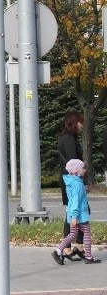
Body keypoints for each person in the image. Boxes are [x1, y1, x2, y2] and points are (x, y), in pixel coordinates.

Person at [52, 159, 101, 265]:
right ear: (76, 170)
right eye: (82, 168)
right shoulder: (77, 184)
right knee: (87, 234)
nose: (84, 170)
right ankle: (88, 257)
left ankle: (58, 250)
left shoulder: (72, 181)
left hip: (73, 213)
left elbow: (75, 196)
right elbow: (75, 201)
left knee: (73, 234)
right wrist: (74, 216)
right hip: (79, 215)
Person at [57, 109, 86, 260]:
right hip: (71, 181)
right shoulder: (69, 140)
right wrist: (82, 180)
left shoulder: (68, 138)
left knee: (72, 212)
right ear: (74, 123)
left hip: (69, 179)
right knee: (81, 210)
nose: (82, 125)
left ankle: (68, 249)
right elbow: (73, 163)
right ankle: (77, 246)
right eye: (80, 122)